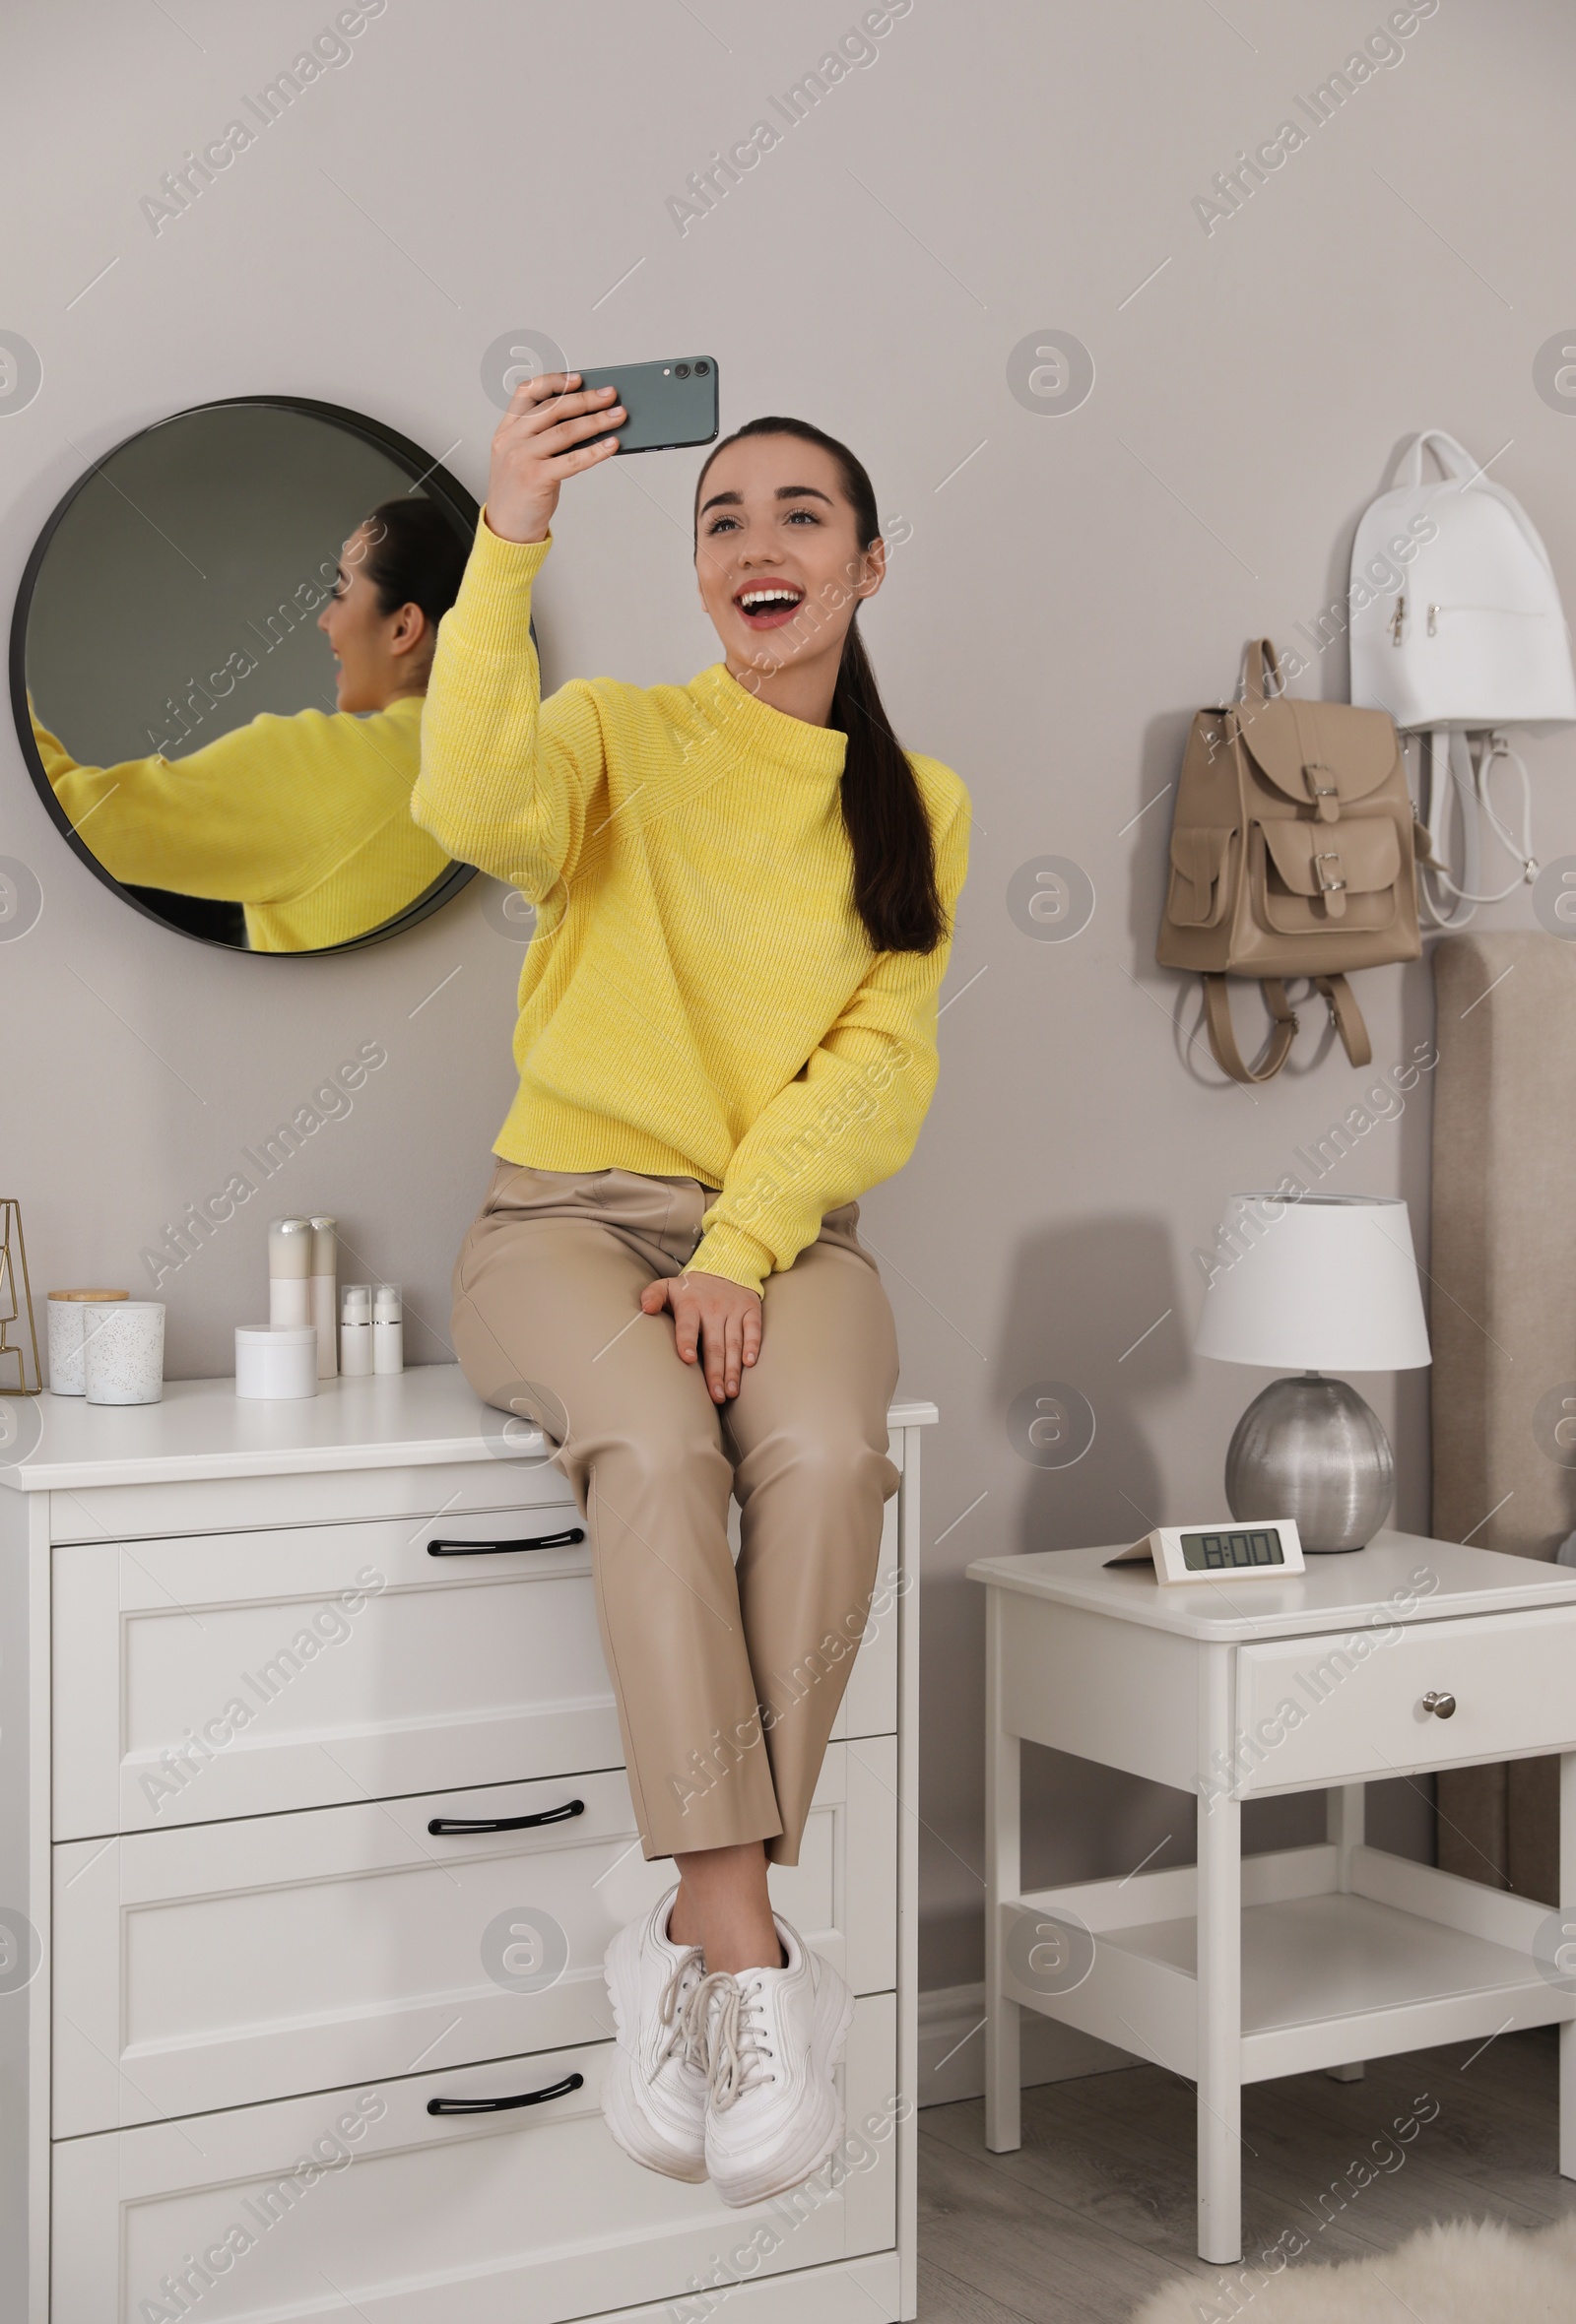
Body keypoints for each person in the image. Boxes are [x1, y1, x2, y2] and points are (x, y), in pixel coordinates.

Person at [413, 374, 969, 2206]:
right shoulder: (615, 734)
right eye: (724, 518)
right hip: (558, 1220)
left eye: (801, 516)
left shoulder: (921, 807)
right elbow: (469, 800)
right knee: (659, 1450)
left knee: (828, 1452)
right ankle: (740, 1949)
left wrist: (741, 1249)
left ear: (868, 566)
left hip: (784, 1229)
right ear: (700, 570)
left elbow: (879, 1067)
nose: (758, 544)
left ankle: (669, 1919)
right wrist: (510, 530)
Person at [31, 497, 466, 950]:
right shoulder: (525, 762)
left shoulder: (317, 768)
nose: (323, 620)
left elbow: (71, 818)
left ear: (403, 628)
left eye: (340, 592)